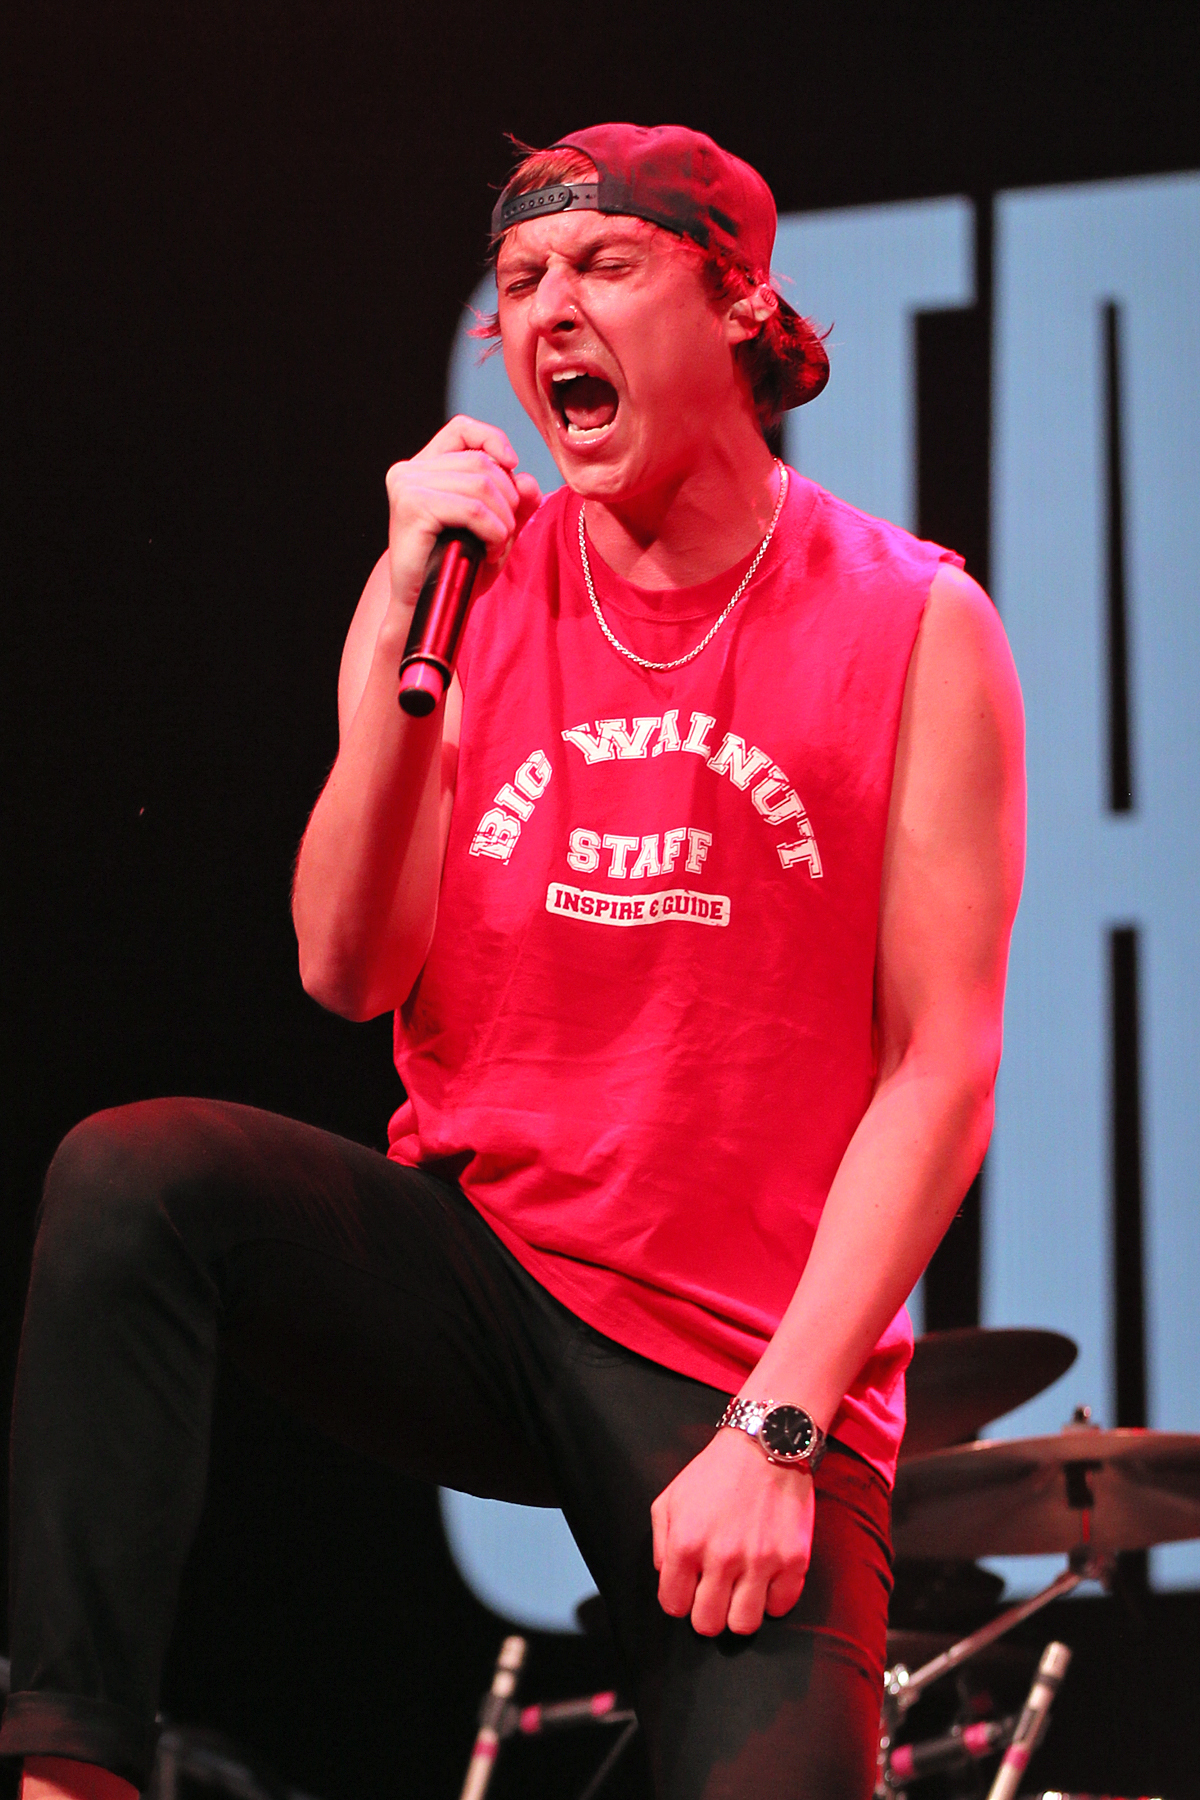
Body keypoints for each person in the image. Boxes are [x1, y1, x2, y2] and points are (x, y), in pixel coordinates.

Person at [2, 124, 1025, 1799]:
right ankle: (73, 1772)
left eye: (604, 265)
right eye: (522, 280)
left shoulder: (915, 624)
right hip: (484, 1280)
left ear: (740, 300)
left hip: (735, 1358)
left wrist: (779, 1428)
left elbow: (943, 1067)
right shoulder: (456, 592)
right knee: (134, 1181)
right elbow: (345, 964)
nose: (549, 310)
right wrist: (407, 594)